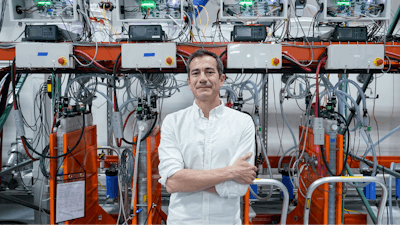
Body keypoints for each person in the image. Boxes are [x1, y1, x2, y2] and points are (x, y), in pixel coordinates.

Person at [158, 49, 257, 225]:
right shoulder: (173, 122)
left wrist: (189, 182)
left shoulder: (242, 122)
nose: (203, 78)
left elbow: (240, 186)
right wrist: (231, 172)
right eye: (196, 73)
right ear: (189, 82)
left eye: (209, 72)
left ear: (221, 79)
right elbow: (173, 183)